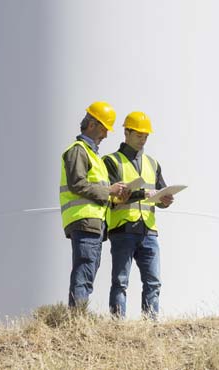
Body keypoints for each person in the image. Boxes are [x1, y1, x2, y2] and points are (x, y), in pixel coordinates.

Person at [103, 111, 174, 319]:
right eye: (139, 134)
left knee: (153, 282)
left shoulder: (153, 164)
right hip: (123, 229)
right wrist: (143, 193)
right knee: (120, 281)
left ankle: (150, 325)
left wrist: (165, 200)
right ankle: (117, 324)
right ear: (126, 132)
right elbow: (113, 195)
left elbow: (159, 192)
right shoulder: (111, 162)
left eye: (146, 135)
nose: (143, 139)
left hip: (148, 232)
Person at [60, 101, 129, 309]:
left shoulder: (92, 154)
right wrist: (109, 190)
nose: (106, 135)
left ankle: (78, 319)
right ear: (92, 124)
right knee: (83, 274)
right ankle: (77, 321)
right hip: (84, 220)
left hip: (94, 223)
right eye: (104, 129)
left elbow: (95, 188)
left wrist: (115, 194)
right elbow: (77, 184)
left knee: (87, 274)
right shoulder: (78, 151)